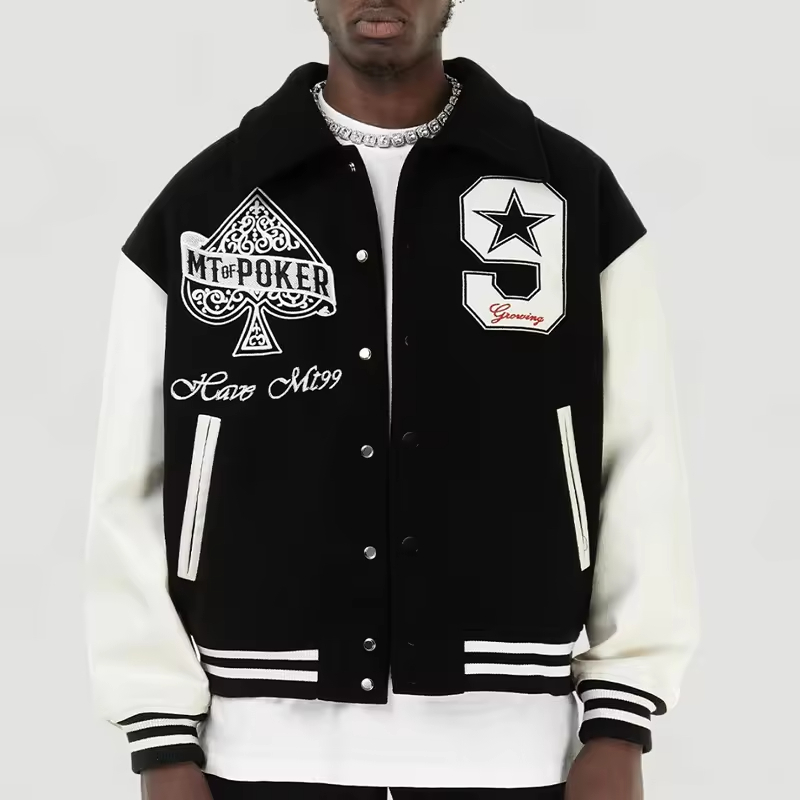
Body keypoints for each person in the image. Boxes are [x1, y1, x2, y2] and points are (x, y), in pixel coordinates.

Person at [84, 1, 700, 799]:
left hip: (511, 750)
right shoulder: (205, 203)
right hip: (258, 750)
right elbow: (130, 483)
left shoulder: (570, 192)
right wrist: (160, 739)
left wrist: (620, 721)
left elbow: (642, 456)